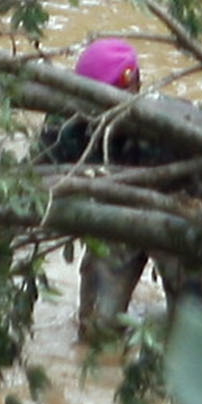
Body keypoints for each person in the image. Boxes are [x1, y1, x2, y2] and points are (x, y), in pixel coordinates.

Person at [48, 36, 158, 341]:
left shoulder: (167, 125)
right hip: (115, 224)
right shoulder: (63, 127)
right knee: (98, 331)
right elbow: (34, 186)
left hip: (177, 220)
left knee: (199, 332)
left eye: (130, 89)